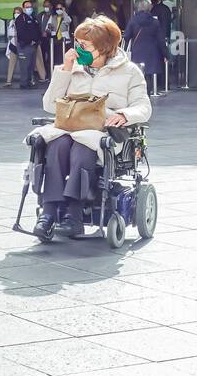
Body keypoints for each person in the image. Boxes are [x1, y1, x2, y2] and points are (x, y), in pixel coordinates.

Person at [28, 16, 151, 239]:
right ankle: (48, 213)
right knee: (56, 145)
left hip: (103, 132)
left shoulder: (129, 71)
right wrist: (64, 70)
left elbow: (143, 107)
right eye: (78, 44)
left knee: (83, 147)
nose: (78, 49)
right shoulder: (73, 68)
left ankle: (73, 215)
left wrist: (124, 114)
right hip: (70, 127)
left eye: (84, 45)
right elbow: (49, 105)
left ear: (103, 48)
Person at [127, 0, 170, 93]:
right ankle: (147, 95)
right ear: (148, 9)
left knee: (137, 75)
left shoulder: (133, 21)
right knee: (148, 77)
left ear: (137, 9)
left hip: (137, 53)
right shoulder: (155, 22)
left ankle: (138, 95)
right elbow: (160, 40)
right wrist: (166, 54)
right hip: (152, 54)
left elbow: (126, 37)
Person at [14, 0, 43, 89]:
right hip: (25, 45)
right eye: (27, 7)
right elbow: (21, 33)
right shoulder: (20, 19)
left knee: (31, 65)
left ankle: (30, 82)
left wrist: (37, 41)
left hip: (33, 46)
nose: (29, 8)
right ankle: (24, 83)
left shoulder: (33, 18)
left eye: (30, 7)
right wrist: (30, 41)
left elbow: (37, 30)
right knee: (25, 65)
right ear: (23, 8)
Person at [3, 5, 23, 87]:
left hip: (22, 45)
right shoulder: (11, 22)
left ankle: (28, 80)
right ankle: (8, 81)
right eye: (15, 13)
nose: (16, 14)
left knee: (25, 64)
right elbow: (10, 33)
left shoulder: (24, 21)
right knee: (11, 63)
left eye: (18, 13)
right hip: (13, 45)